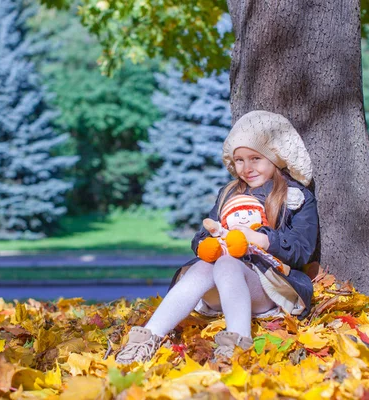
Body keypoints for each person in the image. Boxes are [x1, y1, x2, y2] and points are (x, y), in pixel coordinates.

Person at [115, 110, 319, 365]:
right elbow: (203, 234)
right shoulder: (229, 193)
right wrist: (208, 244)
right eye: (240, 160)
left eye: (255, 158)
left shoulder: (294, 197)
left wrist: (259, 238)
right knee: (203, 267)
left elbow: (301, 251)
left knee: (227, 264)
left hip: (270, 287)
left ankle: (236, 347)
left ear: (274, 157)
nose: (247, 168)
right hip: (222, 289)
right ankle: (145, 341)